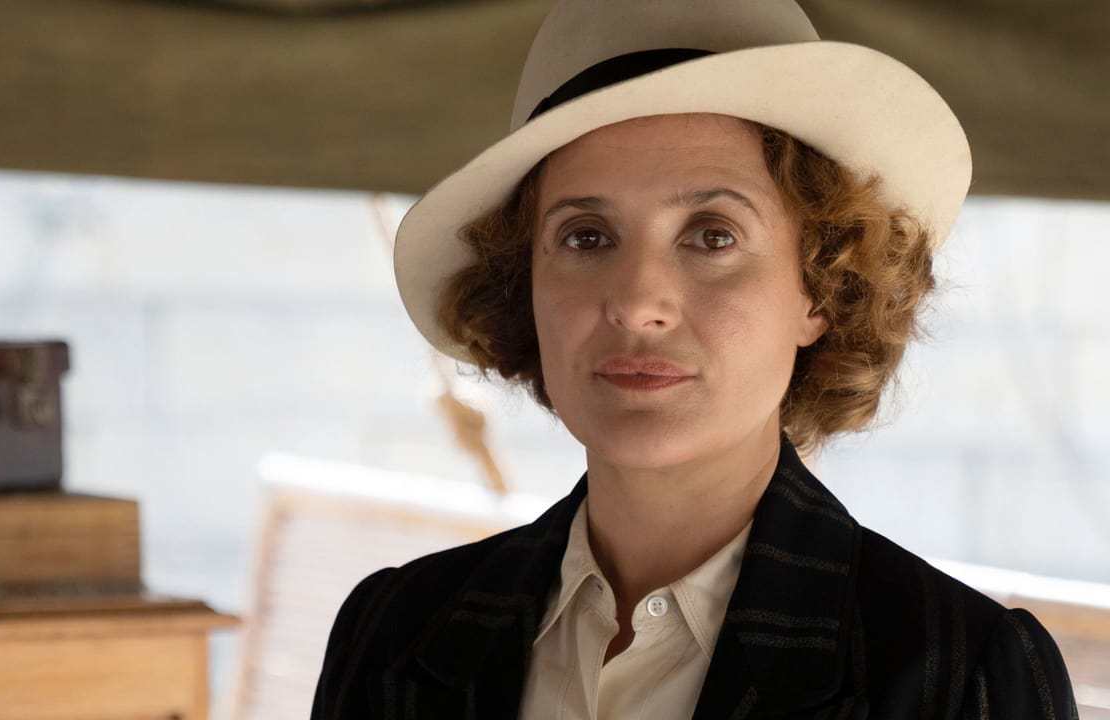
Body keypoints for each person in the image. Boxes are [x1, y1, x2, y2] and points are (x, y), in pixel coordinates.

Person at [312, 1, 1079, 718]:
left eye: (713, 236)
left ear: (822, 288)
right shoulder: (393, 631)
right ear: (526, 288)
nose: (637, 302)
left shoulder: (961, 675)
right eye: (586, 237)